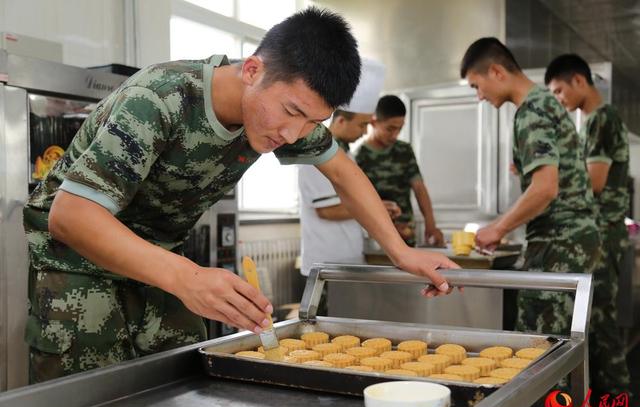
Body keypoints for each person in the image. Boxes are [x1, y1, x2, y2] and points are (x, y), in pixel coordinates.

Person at [23, 7, 457, 383]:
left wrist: (400, 252)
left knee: (182, 378)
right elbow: (72, 215)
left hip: (157, 258)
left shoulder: (283, 119)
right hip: (76, 261)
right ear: (252, 70)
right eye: (290, 112)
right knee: (94, 397)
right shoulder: (159, 99)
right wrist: (188, 278)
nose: (293, 134)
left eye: (311, 121)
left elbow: (344, 172)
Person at [460, 38, 600, 407]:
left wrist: (497, 228)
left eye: (476, 85)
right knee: (565, 349)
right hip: (574, 237)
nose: (479, 95)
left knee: (543, 352)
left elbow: (546, 187)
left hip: (559, 241)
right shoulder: (545, 104)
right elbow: (550, 176)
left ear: (497, 71)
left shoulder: (531, 110)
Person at [545, 53, 631, 398]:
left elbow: (594, 182)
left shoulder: (600, 119)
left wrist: (545, 178)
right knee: (596, 322)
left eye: (559, 91)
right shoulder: (597, 120)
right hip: (605, 231)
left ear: (579, 81)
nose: (558, 100)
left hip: (604, 232)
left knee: (601, 323)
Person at [298, 59, 398, 278]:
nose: (364, 132)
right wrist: (376, 209)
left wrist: (377, 206)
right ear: (341, 121)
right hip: (325, 265)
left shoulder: (345, 153)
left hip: (348, 259)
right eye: (362, 125)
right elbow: (327, 210)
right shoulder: (315, 152)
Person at [355, 95, 444, 247]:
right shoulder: (359, 156)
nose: (395, 135)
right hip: (376, 235)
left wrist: (431, 224)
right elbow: (358, 201)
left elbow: (419, 187)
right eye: (390, 129)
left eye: (400, 128)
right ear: (374, 122)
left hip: (406, 232)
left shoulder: (404, 150)